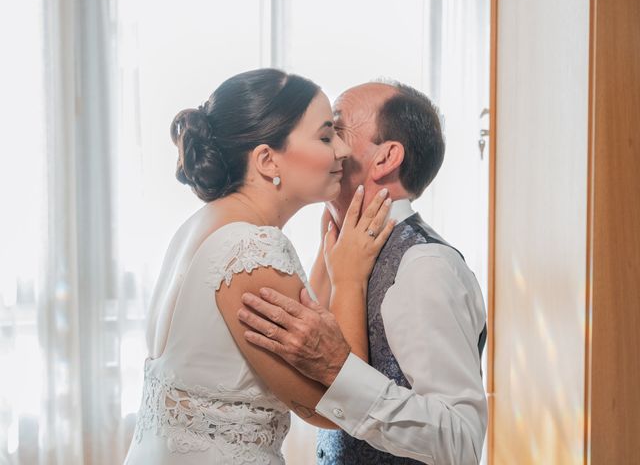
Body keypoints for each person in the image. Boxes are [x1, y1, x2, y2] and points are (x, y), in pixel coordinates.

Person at [123, 69, 396, 464]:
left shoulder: (207, 225)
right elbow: (331, 406)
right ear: (268, 159)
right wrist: (352, 279)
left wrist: (330, 249)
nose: (342, 150)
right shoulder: (250, 248)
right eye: (324, 136)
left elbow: (304, 321)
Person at [238, 81, 488, 464]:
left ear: (386, 158)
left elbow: (460, 439)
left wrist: (342, 370)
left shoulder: (424, 267)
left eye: (336, 130)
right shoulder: (336, 249)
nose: (329, 146)